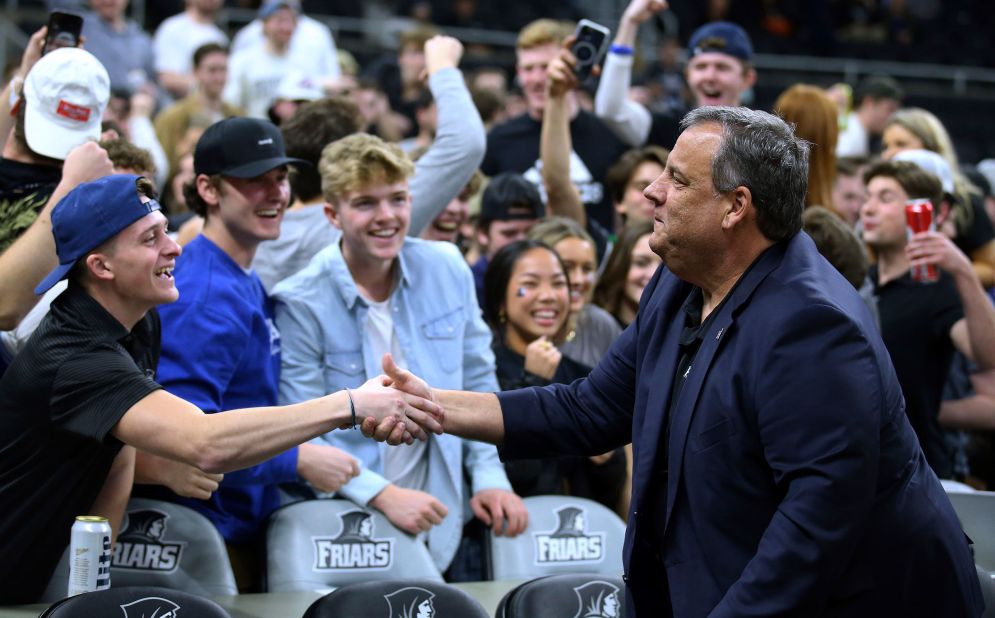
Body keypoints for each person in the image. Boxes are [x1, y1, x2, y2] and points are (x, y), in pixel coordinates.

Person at [371, 107, 984, 617]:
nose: (651, 192)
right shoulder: (678, 280)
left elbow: (814, 526)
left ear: (736, 207)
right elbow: (589, 410)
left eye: (678, 180)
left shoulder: (813, 326)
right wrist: (433, 406)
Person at [0, 173, 434, 603]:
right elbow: (205, 442)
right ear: (101, 267)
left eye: (166, 229)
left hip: (41, 575)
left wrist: (90, 588)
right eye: (150, 239)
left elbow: (118, 455)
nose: (175, 247)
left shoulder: (137, 320)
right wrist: (350, 404)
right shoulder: (77, 357)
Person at [273, 133, 526, 579]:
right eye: (365, 203)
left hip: (445, 515)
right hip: (346, 526)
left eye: (397, 199)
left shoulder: (447, 266)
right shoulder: (300, 300)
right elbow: (301, 424)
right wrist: (382, 495)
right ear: (332, 214)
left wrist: (490, 476)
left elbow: (478, 381)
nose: (387, 216)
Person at [149, 116, 362, 590]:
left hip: (240, 523)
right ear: (208, 189)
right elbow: (185, 443)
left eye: (281, 178)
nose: (276, 193)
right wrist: (297, 460)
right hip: (204, 539)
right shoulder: (205, 295)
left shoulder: (238, 276)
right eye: (255, 181)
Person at [862, 158, 995, 479]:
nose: (868, 208)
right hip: (866, 464)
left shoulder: (940, 289)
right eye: (868, 197)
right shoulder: (861, 282)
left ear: (918, 213)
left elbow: (988, 355)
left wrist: (963, 271)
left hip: (920, 471)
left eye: (885, 198)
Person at [482, 239, 626, 511]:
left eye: (558, 284)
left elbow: (608, 494)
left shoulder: (585, 378)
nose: (548, 296)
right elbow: (519, 477)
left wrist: (606, 459)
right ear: (501, 301)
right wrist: (533, 381)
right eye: (531, 284)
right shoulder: (482, 375)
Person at [481, 18, 627, 234]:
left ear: (570, 66)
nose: (537, 79)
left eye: (546, 67)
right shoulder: (498, 140)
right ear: (518, 73)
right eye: (528, 69)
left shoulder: (607, 136)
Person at [595, 0, 756, 149]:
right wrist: (630, 22)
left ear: (747, 79)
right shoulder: (671, 127)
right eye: (701, 67)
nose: (710, 76)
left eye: (722, 67)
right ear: (688, 75)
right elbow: (611, 111)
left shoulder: (760, 135)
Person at [154, 43, 243, 190]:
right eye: (212, 70)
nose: (219, 77)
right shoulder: (172, 117)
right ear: (196, 72)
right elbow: (162, 167)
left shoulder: (237, 115)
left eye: (223, 70)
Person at [470, 173, 546, 308]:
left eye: (530, 232)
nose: (522, 241)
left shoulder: (552, 282)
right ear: (483, 233)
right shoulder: (469, 287)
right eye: (509, 233)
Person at [153, 0, 229, 100]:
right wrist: (206, 87)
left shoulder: (220, 37)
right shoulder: (172, 28)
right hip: (175, 104)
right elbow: (167, 79)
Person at [591, 220, 660, 329]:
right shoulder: (594, 327)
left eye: (663, 268)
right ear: (620, 266)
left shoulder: (678, 331)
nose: (653, 274)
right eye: (641, 263)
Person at [835, 74, 904, 158]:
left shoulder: (855, 130)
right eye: (890, 109)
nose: (893, 117)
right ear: (869, 102)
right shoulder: (850, 136)